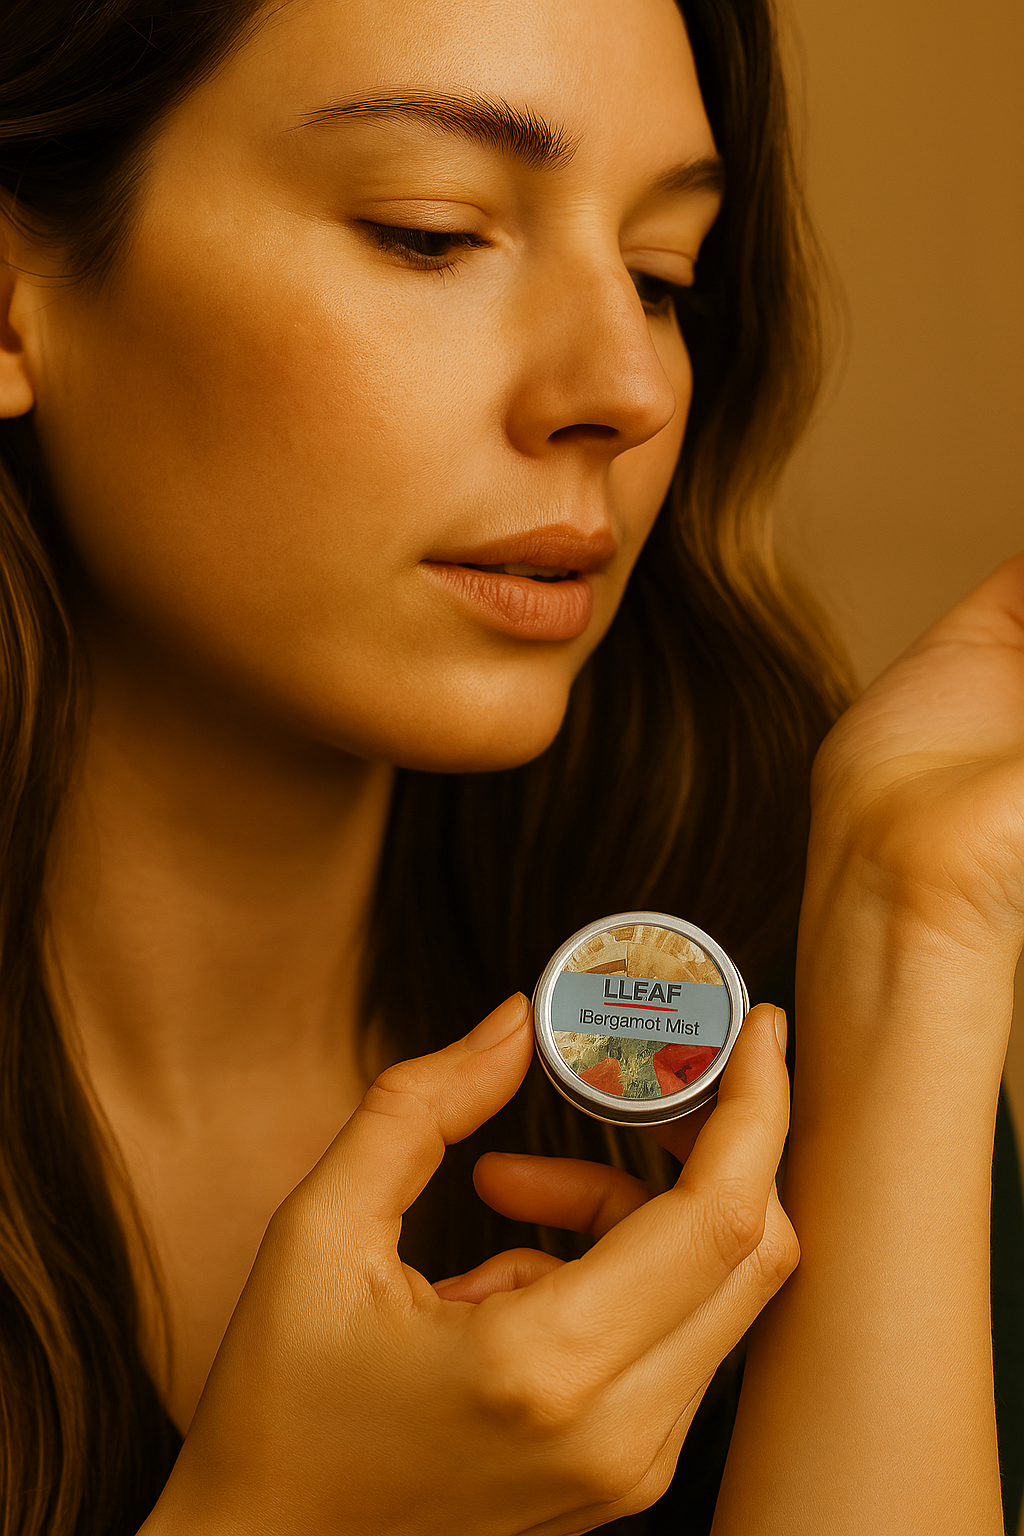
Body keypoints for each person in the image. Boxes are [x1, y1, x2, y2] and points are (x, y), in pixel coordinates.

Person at [0, 0, 1020, 1532]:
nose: (627, 384)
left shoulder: (739, 995)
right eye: (433, 232)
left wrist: (909, 925)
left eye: (663, 270)